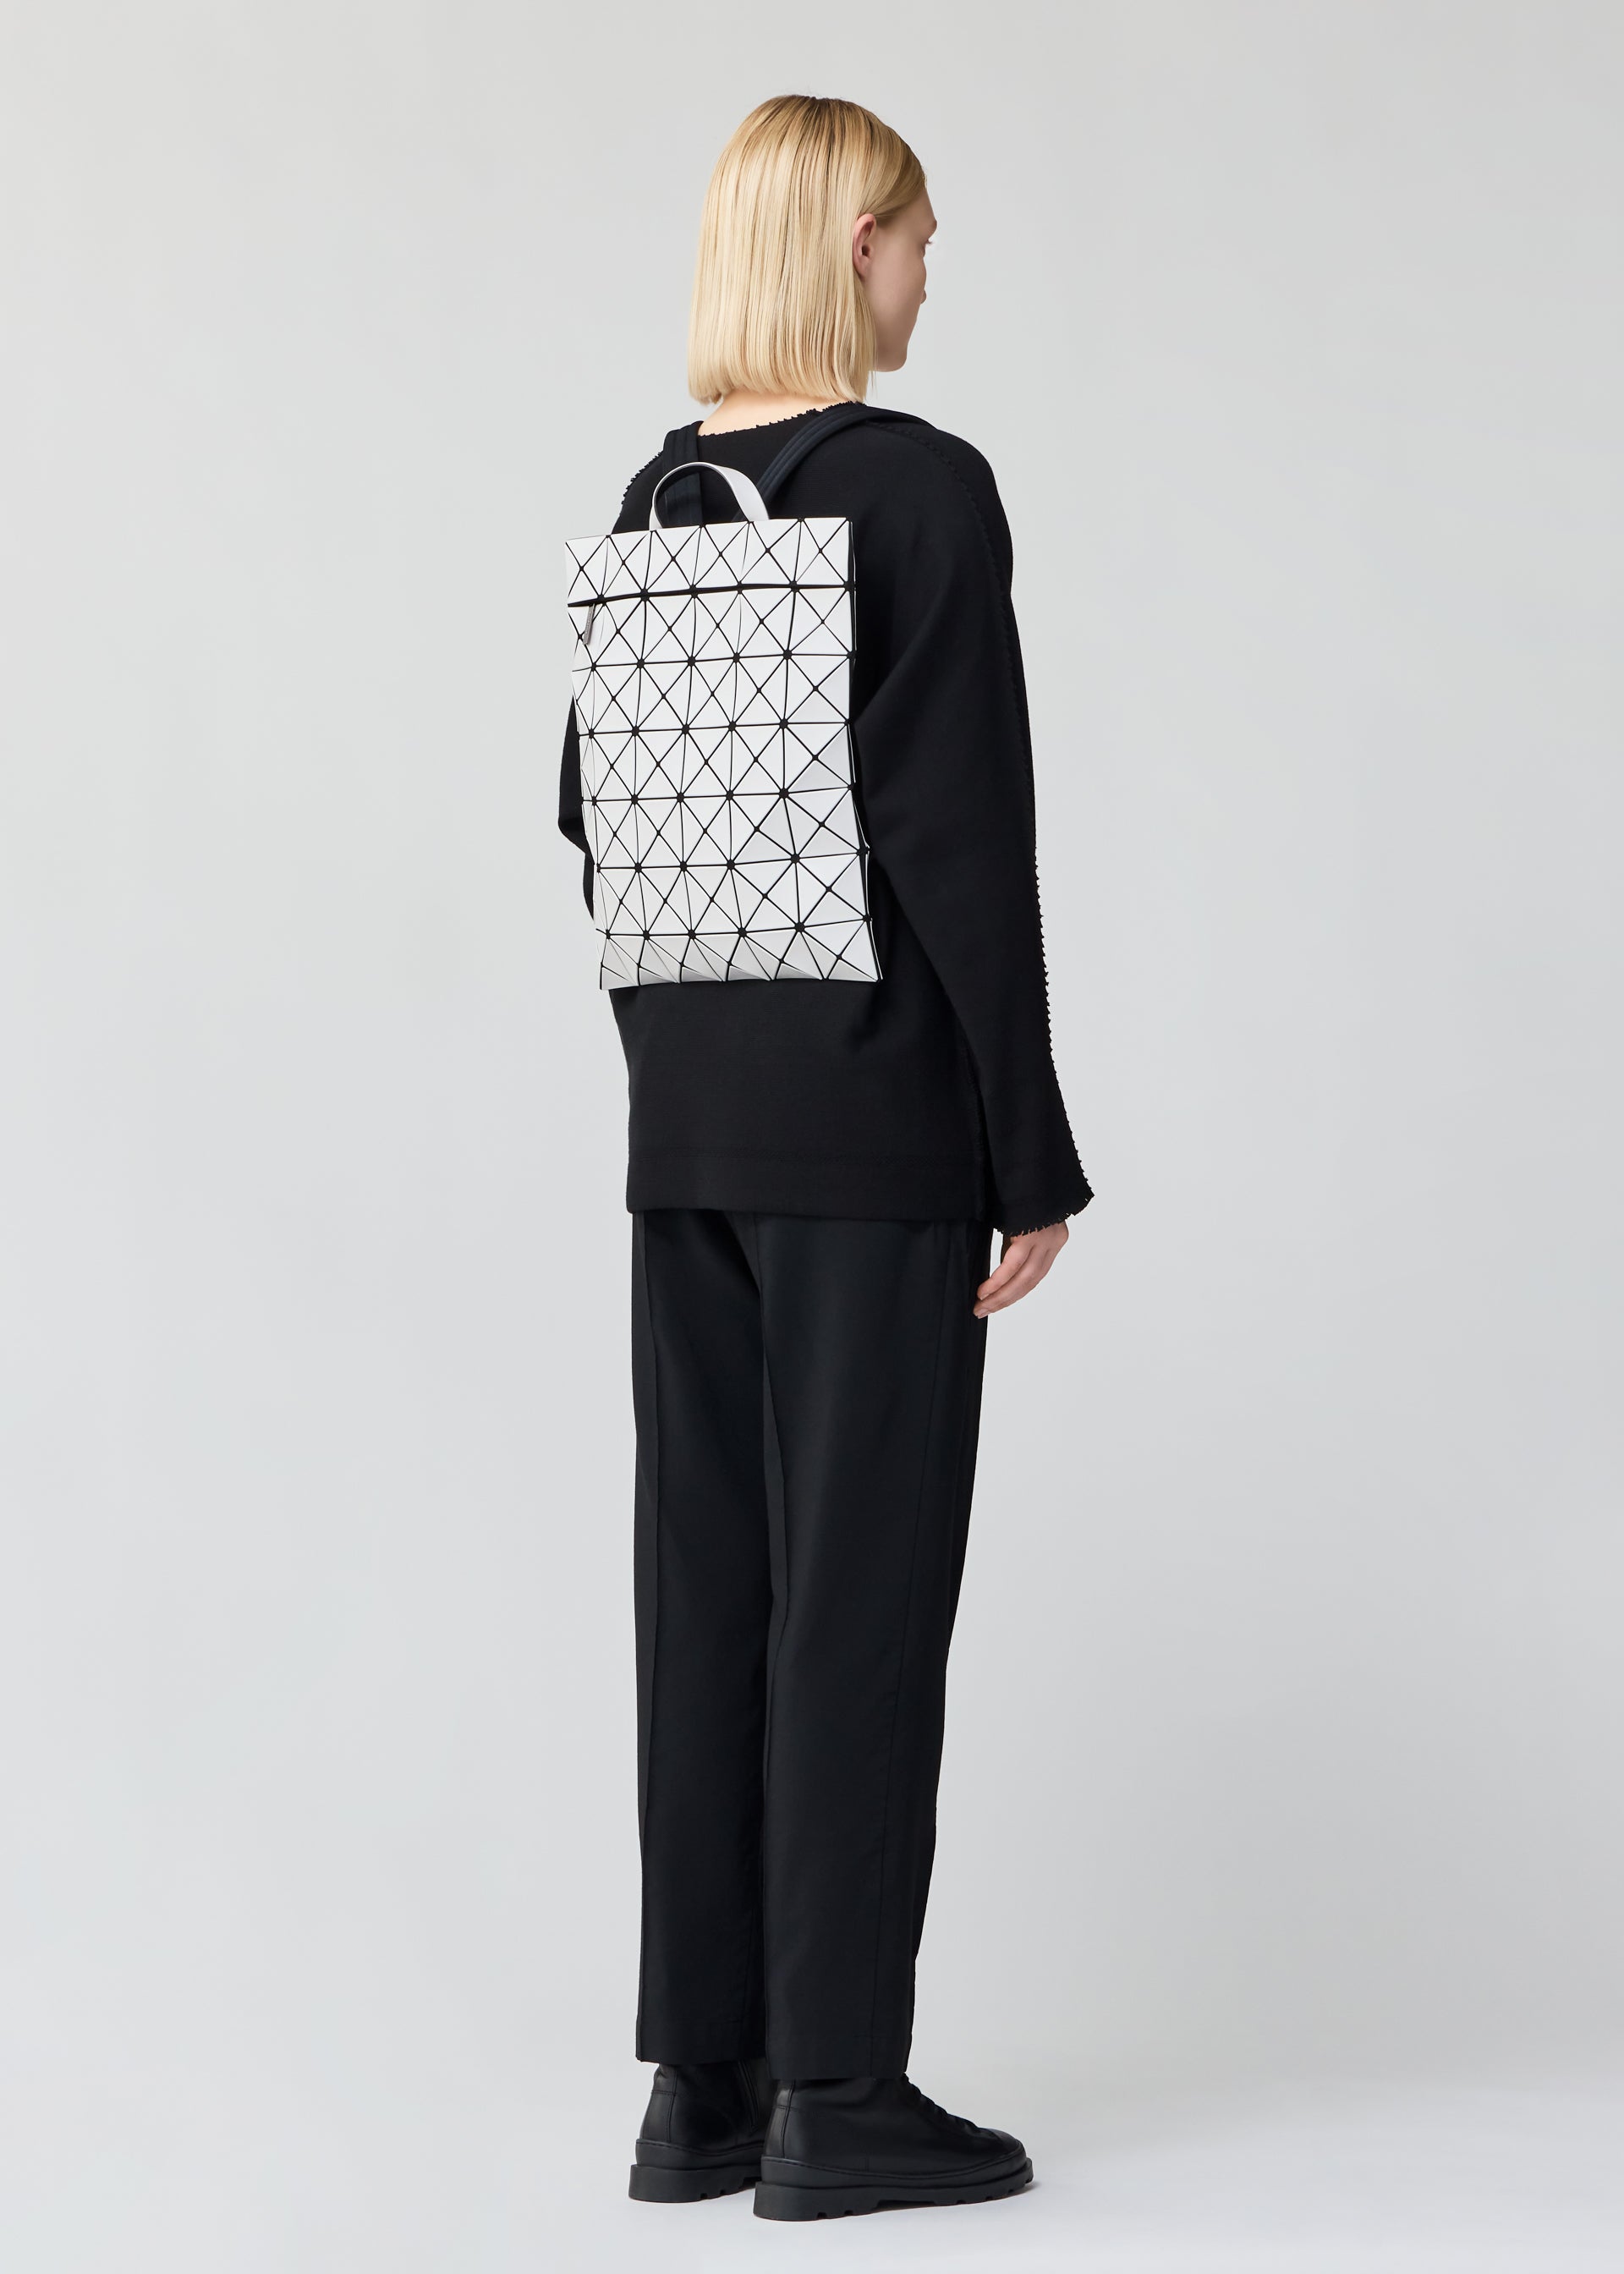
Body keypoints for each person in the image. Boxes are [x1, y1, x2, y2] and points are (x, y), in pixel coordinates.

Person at [557, 93, 1093, 2222]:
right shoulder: (921, 490)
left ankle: (704, 2087)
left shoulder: (659, 497)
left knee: (708, 1598)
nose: (932, 278)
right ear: (856, 241)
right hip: (875, 1137)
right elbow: (961, 838)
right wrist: (1028, 1150)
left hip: (685, 1132)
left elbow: (590, 815)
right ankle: (844, 2096)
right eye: (919, 240)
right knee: (856, 1601)